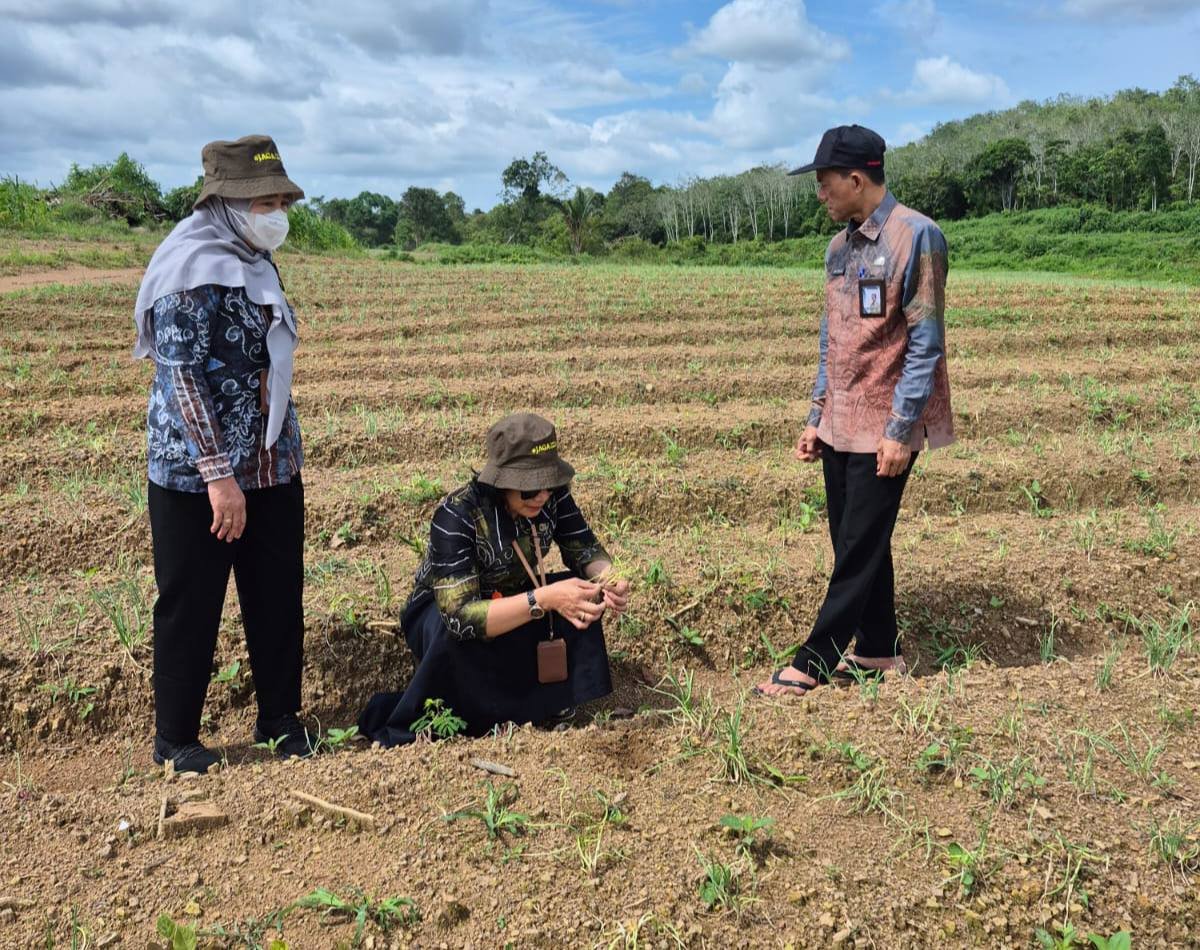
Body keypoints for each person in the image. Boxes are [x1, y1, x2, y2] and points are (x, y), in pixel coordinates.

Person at [133, 135, 312, 772]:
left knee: (277, 594)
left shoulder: (255, 260)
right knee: (191, 602)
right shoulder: (188, 269)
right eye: (265, 203)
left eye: (282, 202)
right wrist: (218, 477)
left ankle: (280, 720)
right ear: (228, 204)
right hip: (197, 477)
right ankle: (176, 739)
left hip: (271, 462)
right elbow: (181, 377)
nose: (277, 214)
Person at [756, 125, 954, 697]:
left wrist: (900, 430)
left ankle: (815, 659)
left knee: (859, 545)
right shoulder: (838, 249)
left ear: (856, 179)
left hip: (887, 422)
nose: (820, 194)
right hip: (842, 419)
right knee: (855, 540)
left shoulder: (917, 236)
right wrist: (817, 414)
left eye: (825, 183)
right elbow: (833, 338)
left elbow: (926, 342)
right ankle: (877, 650)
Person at [359, 413, 631, 746]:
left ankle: (549, 701)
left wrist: (610, 578)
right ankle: (479, 713)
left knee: (580, 593)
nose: (542, 495)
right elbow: (460, 615)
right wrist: (543, 599)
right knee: (454, 633)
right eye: (530, 488)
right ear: (502, 481)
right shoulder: (457, 515)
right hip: (442, 613)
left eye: (549, 483)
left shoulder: (553, 498)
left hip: (512, 593)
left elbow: (584, 548)